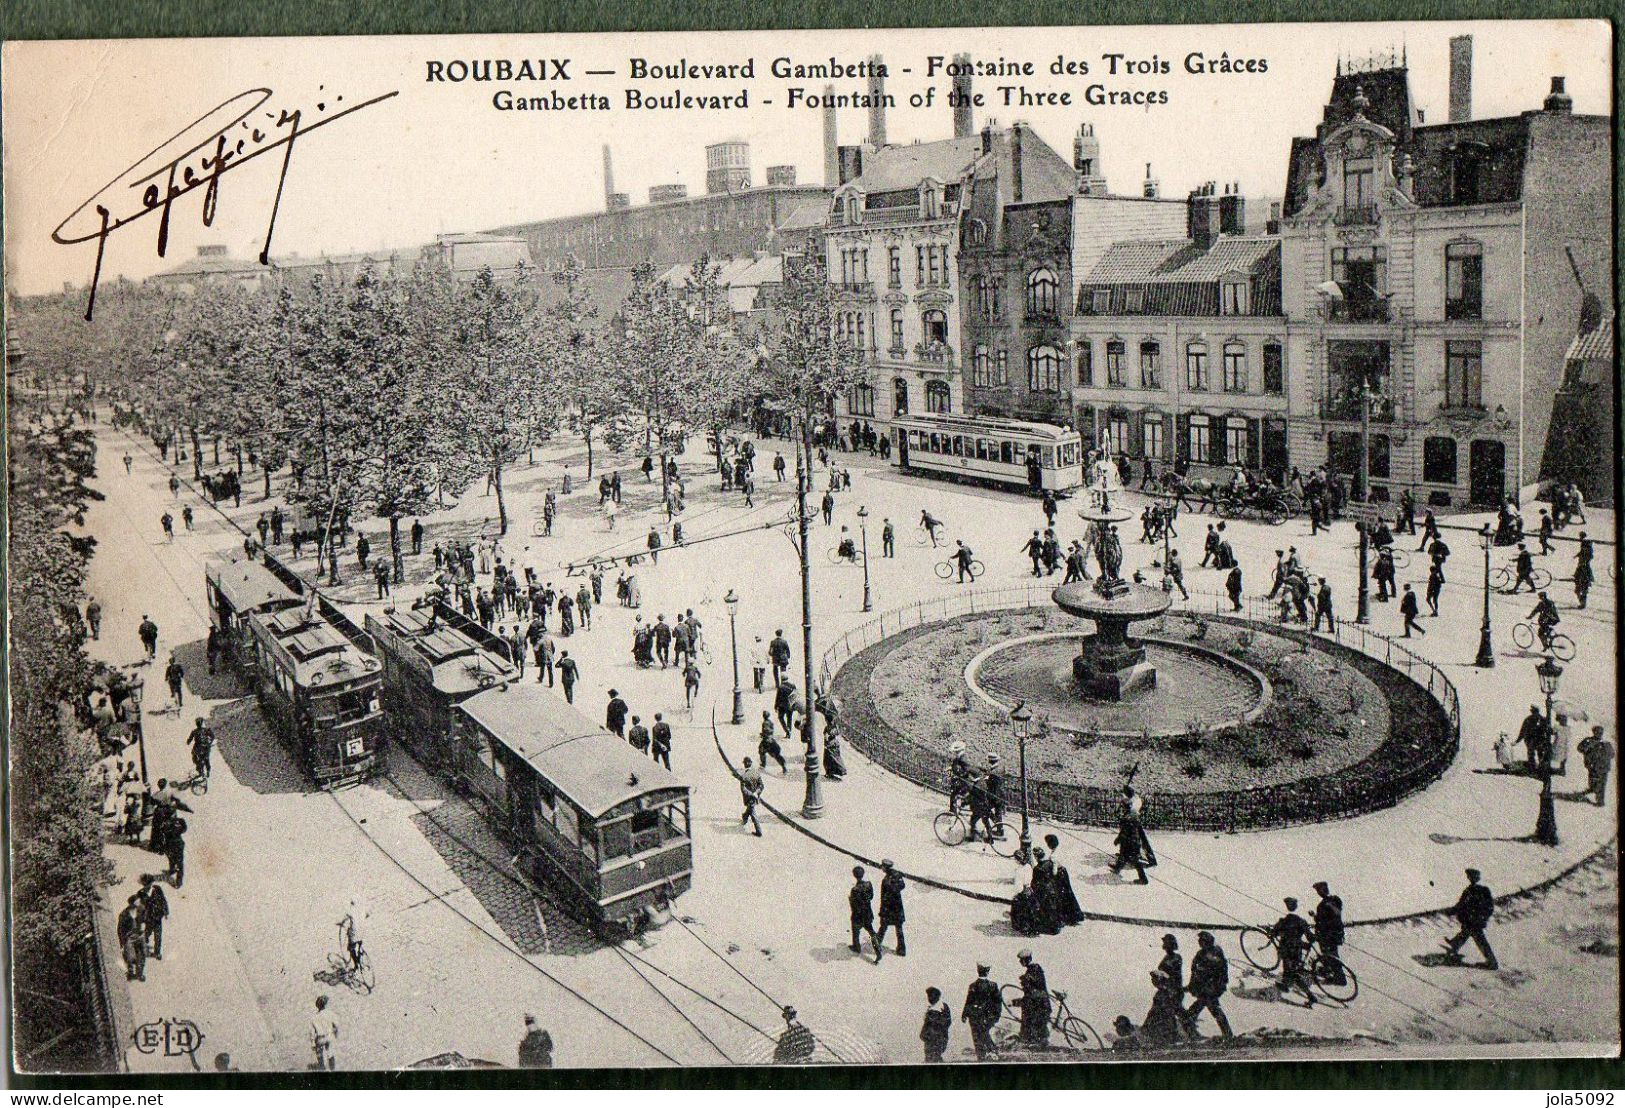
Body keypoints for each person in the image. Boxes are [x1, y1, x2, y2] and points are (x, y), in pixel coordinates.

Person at [1442, 868, 1498, 970]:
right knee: (1466, 934)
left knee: (1480, 941)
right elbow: (1490, 906)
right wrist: (1484, 917)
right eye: (1470, 876)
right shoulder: (1482, 890)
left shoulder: (1471, 891)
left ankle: (1492, 963)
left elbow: (1460, 905)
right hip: (1474, 921)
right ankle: (1454, 945)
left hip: (1473, 921)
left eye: (1470, 876)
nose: (1470, 878)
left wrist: (1451, 912)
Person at [1183, 931, 1233, 1039]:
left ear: (1207, 942)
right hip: (1205, 990)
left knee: (1197, 1011)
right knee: (1211, 1010)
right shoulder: (1201, 954)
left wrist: (1214, 987)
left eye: (1201, 941)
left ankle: (1228, 1035)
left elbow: (1217, 973)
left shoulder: (1214, 953)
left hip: (1210, 990)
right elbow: (1195, 972)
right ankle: (1227, 1034)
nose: (1199, 943)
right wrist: (1191, 986)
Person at [1269, 897, 1314, 1000]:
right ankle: (1285, 984)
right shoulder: (1301, 921)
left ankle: (1310, 996)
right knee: (1291, 970)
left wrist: (1271, 931)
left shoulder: (1283, 921)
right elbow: (1310, 937)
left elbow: (1273, 933)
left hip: (1286, 949)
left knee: (1291, 971)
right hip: (1297, 949)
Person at [1110, 785, 1155, 883]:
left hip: (1129, 842)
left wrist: (1117, 840)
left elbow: (1124, 831)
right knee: (1124, 855)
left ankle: (1143, 879)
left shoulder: (1127, 817)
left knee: (1134, 860)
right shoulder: (1133, 814)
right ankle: (1117, 868)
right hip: (1134, 841)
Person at [962, 964, 1002, 1060]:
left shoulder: (973, 986)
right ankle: (990, 1053)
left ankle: (985, 1055)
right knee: (983, 1034)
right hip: (987, 1016)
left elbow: (969, 1001)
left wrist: (964, 1014)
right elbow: (998, 1003)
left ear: (978, 970)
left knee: (978, 1036)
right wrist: (996, 1016)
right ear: (988, 971)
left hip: (975, 1016)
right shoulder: (993, 985)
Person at [1043, 835, 1085, 925]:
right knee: (1068, 893)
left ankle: (1065, 916)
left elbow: (1054, 871)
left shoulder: (1053, 856)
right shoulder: (1059, 850)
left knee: (1060, 895)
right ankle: (1075, 915)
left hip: (1059, 875)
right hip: (1064, 873)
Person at [1313, 881, 1346, 985]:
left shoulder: (1335, 900)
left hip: (1332, 934)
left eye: (1321, 889)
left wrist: (1330, 905)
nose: (1319, 892)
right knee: (1326, 954)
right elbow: (1320, 920)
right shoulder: (1321, 905)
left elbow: (1337, 913)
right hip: (1324, 934)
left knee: (1332, 955)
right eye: (1318, 890)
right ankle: (1329, 972)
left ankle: (1340, 978)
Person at [1017, 950, 1051, 1048]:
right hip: (1041, 1003)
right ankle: (1037, 1041)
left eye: (1021, 960)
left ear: (1025, 960)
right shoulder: (1034, 969)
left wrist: (1026, 980)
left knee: (1031, 1021)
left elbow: (1033, 990)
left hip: (1039, 1003)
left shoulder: (1034, 969)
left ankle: (1036, 1042)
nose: (1020, 962)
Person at [849, 865, 881, 963]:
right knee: (871, 932)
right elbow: (871, 897)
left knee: (855, 930)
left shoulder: (854, 890)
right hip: (867, 913)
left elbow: (854, 905)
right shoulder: (868, 884)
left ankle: (856, 947)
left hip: (858, 915)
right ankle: (878, 951)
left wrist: (850, 899)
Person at [1576, 726, 1614, 805]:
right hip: (1593, 766)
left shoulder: (1606, 743)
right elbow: (1579, 748)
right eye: (1597, 732)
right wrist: (1587, 749)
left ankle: (1600, 801)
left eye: (1601, 732)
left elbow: (1612, 754)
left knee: (1602, 784)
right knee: (1594, 781)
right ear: (1594, 732)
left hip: (1603, 767)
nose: (1599, 734)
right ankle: (1593, 790)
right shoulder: (1588, 740)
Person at [877, 860, 907, 956]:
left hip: (889, 908)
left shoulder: (886, 881)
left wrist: (882, 910)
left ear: (885, 868)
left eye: (882, 866)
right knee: (899, 928)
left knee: (883, 927)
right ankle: (901, 949)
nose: (881, 867)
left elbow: (884, 897)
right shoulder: (897, 875)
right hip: (898, 907)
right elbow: (902, 885)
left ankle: (876, 944)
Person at [140, 874, 169, 960]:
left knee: (158, 935)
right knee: (147, 933)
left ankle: (157, 953)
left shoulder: (157, 889)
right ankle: (142, 947)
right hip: (149, 917)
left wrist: (166, 912)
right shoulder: (143, 892)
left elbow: (163, 900)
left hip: (157, 916)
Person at [118, 894, 146, 981]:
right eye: (137, 901)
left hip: (139, 936)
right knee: (130, 956)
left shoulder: (141, 910)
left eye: (139, 901)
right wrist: (122, 941)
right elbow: (120, 929)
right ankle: (130, 973)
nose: (139, 902)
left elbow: (145, 919)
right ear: (131, 903)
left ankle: (140, 974)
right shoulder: (124, 914)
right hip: (129, 937)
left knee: (142, 954)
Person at [920, 987, 952, 1062]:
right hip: (934, 1039)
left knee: (932, 1058)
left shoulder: (937, 1009)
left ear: (936, 996)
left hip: (934, 1040)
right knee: (933, 1057)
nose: (929, 999)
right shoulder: (940, 1007)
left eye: (930, 996)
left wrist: (924, 1034)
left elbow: (944, 1023)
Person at [311, 996, 339, 1071]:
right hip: (329, 1036)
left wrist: (312, 1042)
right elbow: (336, 1026)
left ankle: (322, 1068)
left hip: (320, 1038)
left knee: (319, 1054)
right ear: (325, 1004)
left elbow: (312, 1032)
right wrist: (336, 1034)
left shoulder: (315, 1016)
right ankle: (332, 1069)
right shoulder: (330, 1014)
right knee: (330, 1052)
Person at [738, 756, 764, 836]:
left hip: (749, 798)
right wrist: (756, 793)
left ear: (745, 765)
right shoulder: (756, 773)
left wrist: (752, 794)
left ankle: (759, 832)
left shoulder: (744, 776)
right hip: (755, 797)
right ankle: (745, 817)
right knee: (749, 810)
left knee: (753, 815)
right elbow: (761, 785)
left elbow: (743, 789)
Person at [947, 742, 972, 813]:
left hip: (962, 781)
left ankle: (954, 810)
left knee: (956, 795)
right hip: (957, 780)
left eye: (956, 751)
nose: (955, 753)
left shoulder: (963, 759)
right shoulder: (958, 758)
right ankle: (953, 810)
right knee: (954, 794)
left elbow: (967, 770)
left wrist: (959, 776)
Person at [1574, 534, 1594, 609]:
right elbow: (1582, 552)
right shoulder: (1584, 546)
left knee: (1582, 590)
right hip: (1581, 574)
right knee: (1578, 591)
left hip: (1584, 576)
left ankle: (1583, 604)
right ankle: (1582, 603)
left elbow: (1589, 556)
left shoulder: (1585, 565)